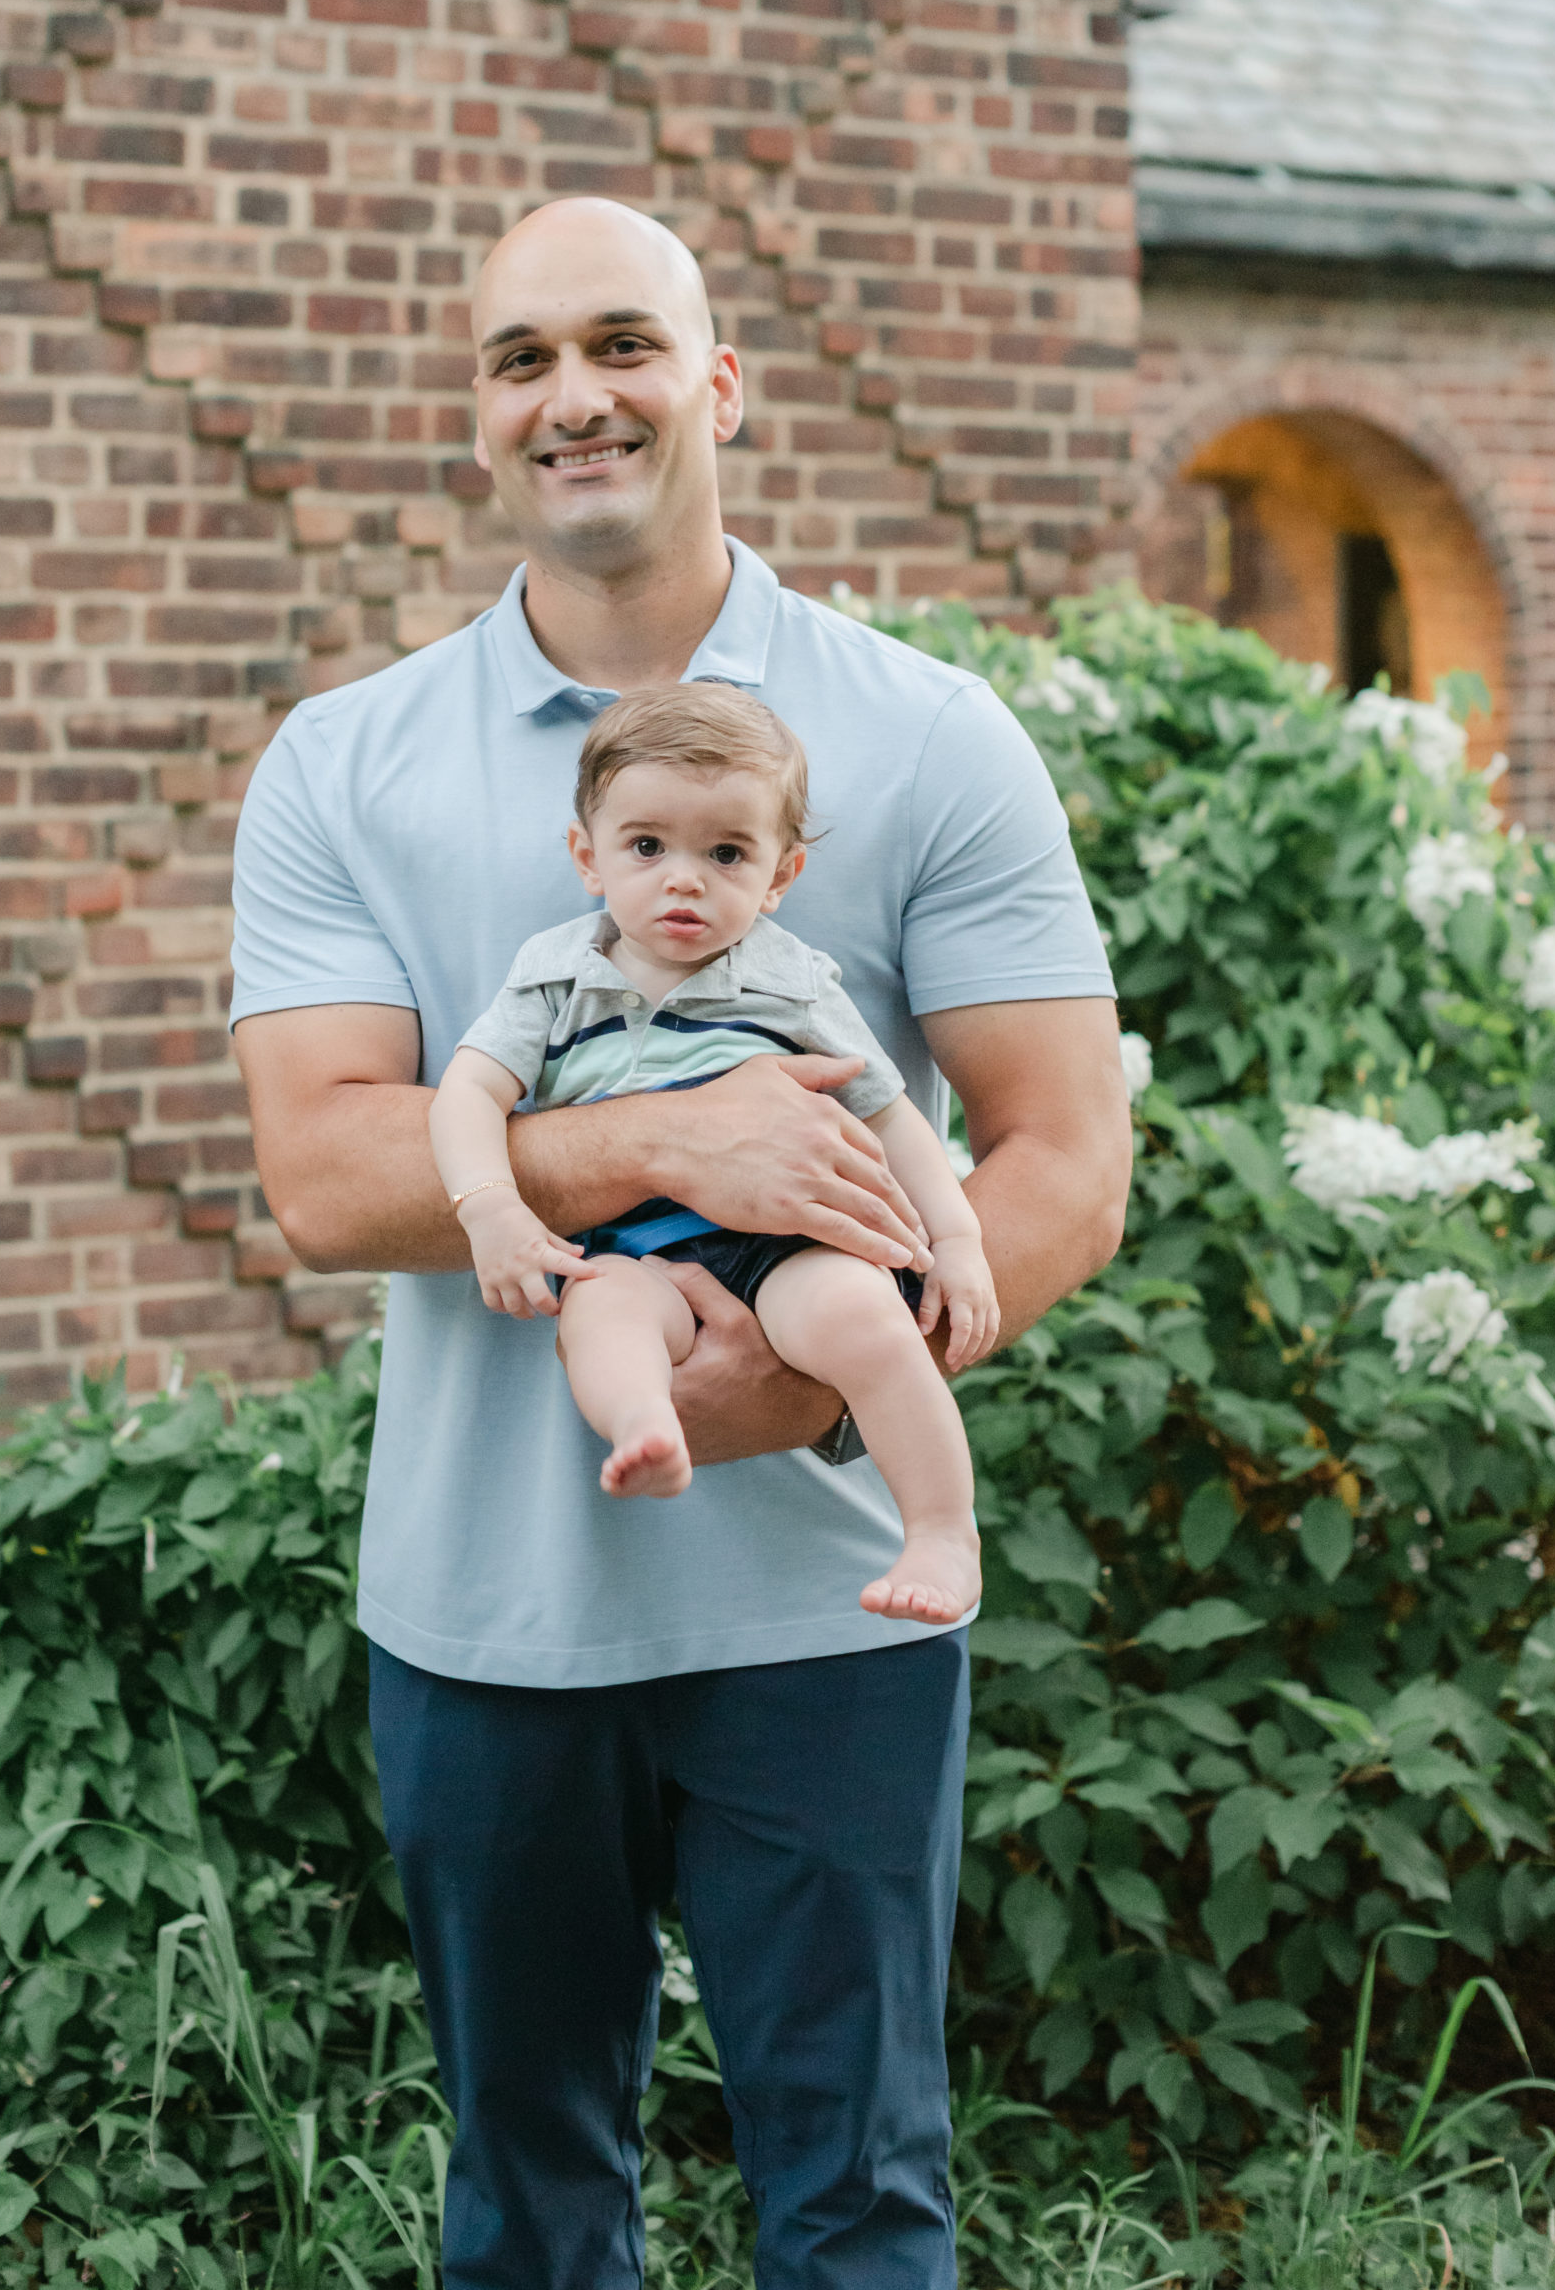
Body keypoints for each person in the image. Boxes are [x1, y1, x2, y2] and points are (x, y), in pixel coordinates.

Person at [230, 194, 1132, 2290]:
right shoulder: (342, 763)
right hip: (484, 1617)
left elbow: (1060, 1154)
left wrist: (813, 1373)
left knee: (857, 2203)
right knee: (531, 2213)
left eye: (622, 343)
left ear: (716, 382)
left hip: (831, 1609)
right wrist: (660, 1140)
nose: (574, 396)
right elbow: (328, 1172)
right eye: (518, 357)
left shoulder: (920, 734)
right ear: (477, 416)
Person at [433, 680, 997, 1624]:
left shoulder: (788, 983)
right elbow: (467, 1094)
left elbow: (893, 1115)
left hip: (786, 1246)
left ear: (780, 875)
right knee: (600, 1318)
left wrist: (958, 1239)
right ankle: (648, 1425)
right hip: (637, 1253)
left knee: (866, 1321)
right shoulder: (555, 978)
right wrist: (490, 1208)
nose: (683, 878)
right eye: (647, 847)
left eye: (726, 852)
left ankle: (942, 1532)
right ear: (588, 856)